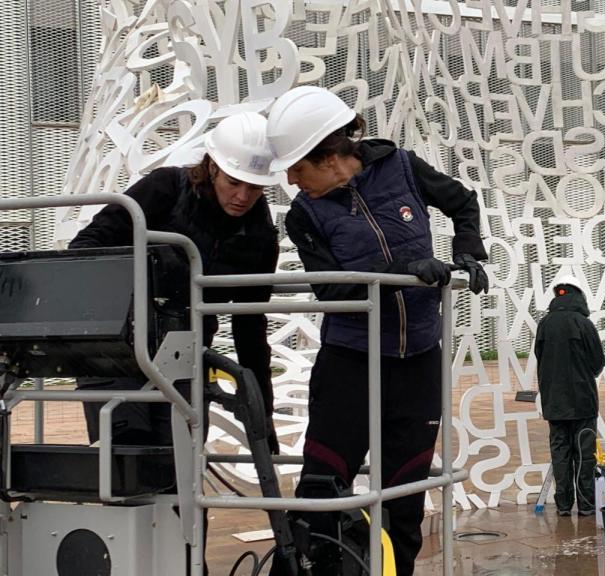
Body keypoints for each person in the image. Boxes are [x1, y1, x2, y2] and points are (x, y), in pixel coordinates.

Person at [266, 85, 489, 575]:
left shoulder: (404, 168)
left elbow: (463, 203)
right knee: (322, 492)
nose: (290, 180)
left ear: (327, 156)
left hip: (419, 363)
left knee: (404, 500)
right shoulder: (305, 215)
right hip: (351, 363)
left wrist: (469, 253)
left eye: (297, 169)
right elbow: (332, 295)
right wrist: (404, 274)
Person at [70, 111, 281, 452]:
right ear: (211, 167)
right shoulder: (165, 188)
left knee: (182, 463)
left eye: (255, 187)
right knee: (128, 458)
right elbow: (86, 247)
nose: (242, 196)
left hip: (184, 355)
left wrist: (263, 412)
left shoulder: (258, 236)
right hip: (119, 348)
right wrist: (150, 271)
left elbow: (250, 326)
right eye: (233, 182)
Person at [534, 275, 605, 517]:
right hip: (583, 403)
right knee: (585, 455)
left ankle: (563, 505)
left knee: (560, 454)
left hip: (554, 404)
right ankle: (586, 505)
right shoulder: (583, 324)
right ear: (580, 295)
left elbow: (539, 358)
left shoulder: (544, 324)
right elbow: (598, 361)